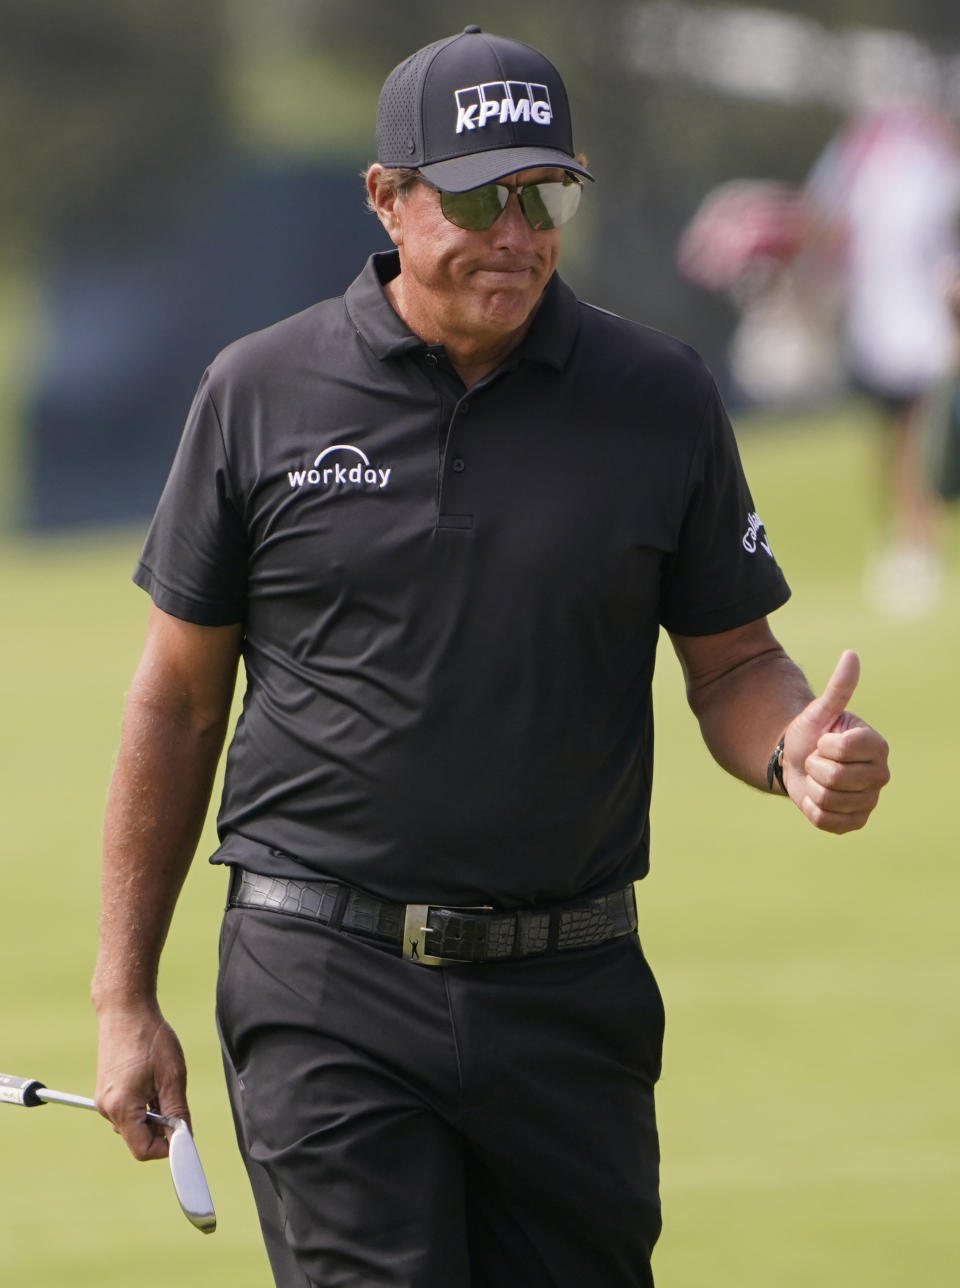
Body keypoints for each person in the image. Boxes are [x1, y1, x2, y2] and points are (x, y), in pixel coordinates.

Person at [91, 26, 890, 1288]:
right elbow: (177, 704)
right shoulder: (258, 393)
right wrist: (122, 995)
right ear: (387, 197)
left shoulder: (659, 396)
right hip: (323, 983)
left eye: (544, 195)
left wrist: (797, 747)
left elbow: (735, 662)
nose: (514, 232)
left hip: (572, 989)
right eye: (474, 195)